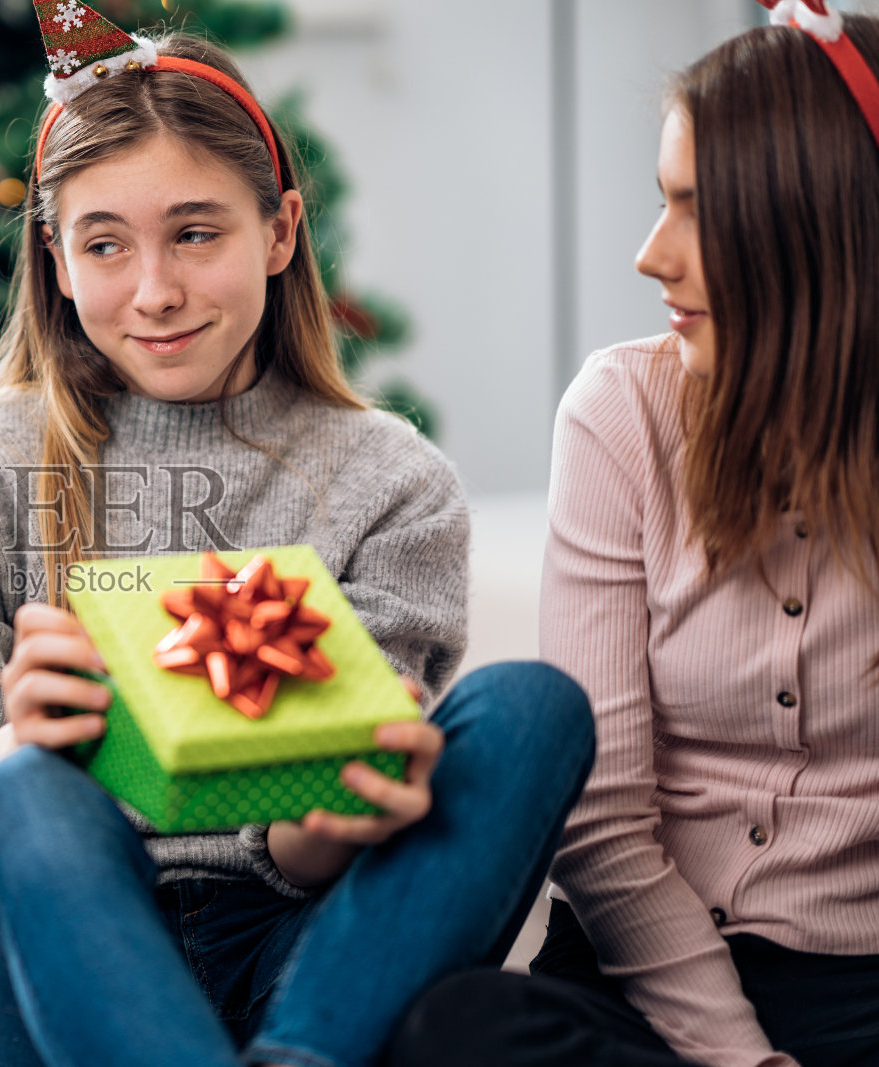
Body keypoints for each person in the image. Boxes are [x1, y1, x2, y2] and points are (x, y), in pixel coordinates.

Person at [0, 8, 595, 1065]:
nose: (155, 290)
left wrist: (344, 805)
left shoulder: (389, 480)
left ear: (280, 231)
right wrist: (19, 746)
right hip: (41, 951)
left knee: (530, 709)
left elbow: (316, 849)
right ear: (55, 258)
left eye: (196, 233)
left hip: (299, 957)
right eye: (105, 244)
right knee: (25, 792)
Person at [385, 7, 879, 1067]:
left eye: (697, 211)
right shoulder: (620, 411)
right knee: (455, 1033)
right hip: (643, 981)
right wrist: (742, 1058)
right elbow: (602, 815)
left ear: (817, 229)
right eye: (661, 200)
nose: (650, 254)